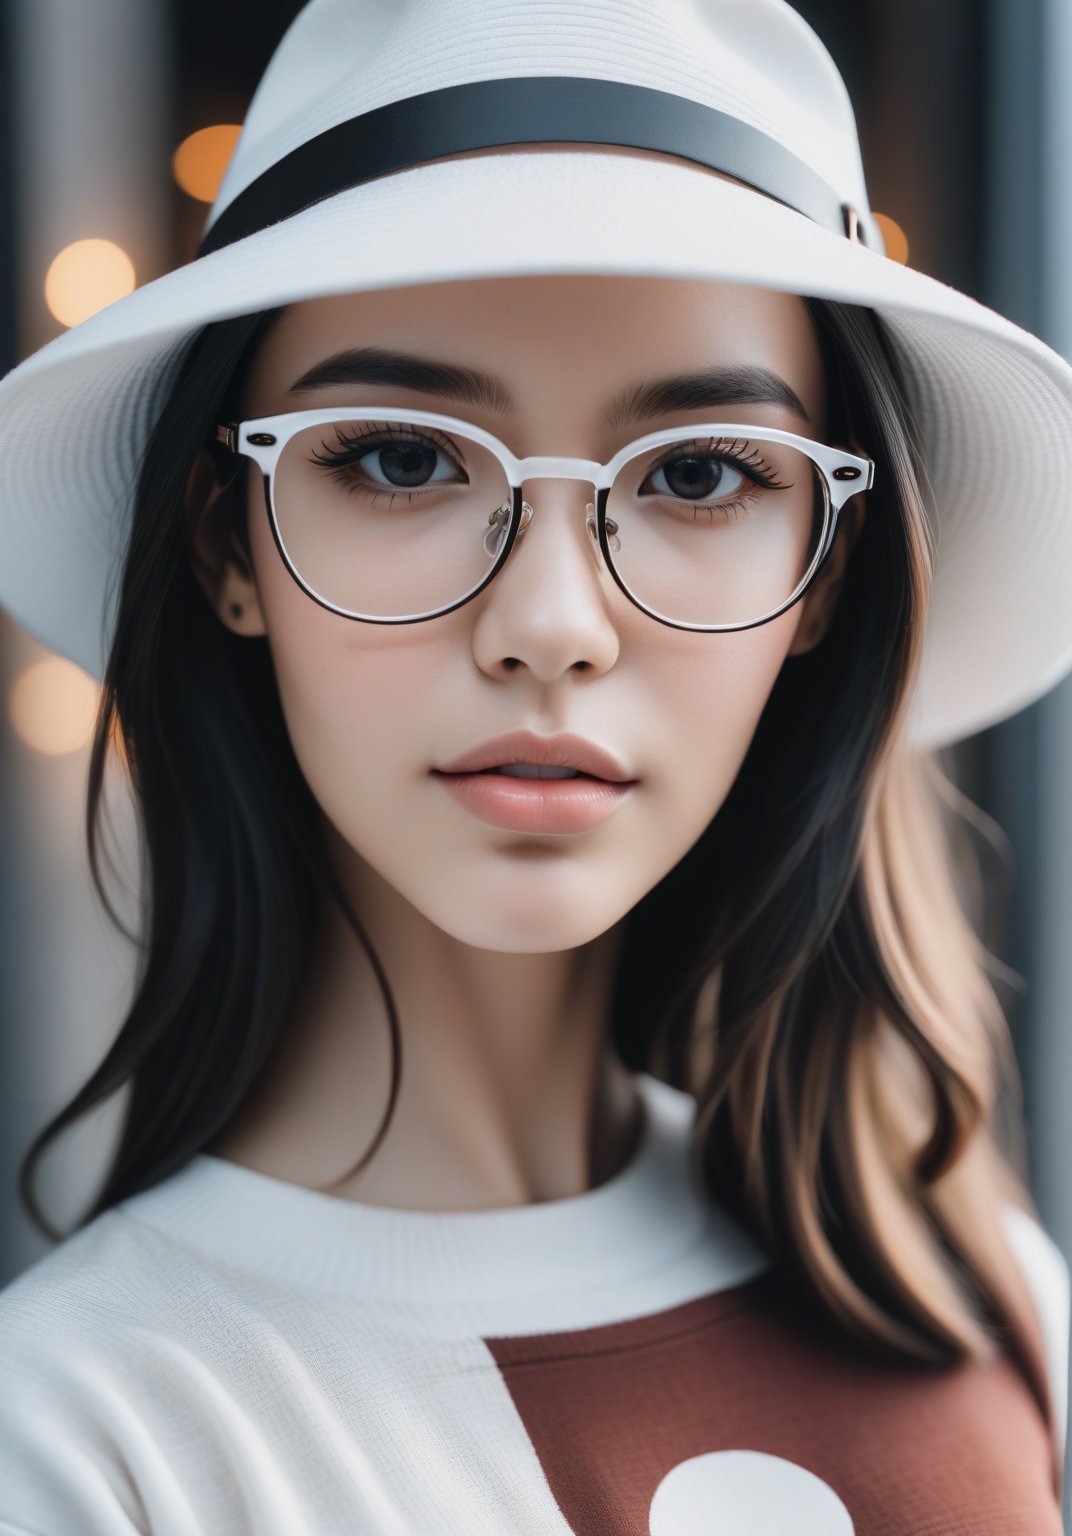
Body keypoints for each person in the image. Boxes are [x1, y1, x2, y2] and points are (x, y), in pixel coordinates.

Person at [0, 1, 1070, 1531]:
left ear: (828, 574)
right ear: (225, 539)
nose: (551, 626)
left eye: (703, 473)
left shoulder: (984, 1299)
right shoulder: (85, 1438)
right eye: (401, 456)